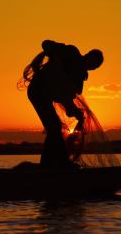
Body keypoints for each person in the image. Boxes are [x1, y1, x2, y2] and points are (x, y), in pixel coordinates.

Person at [22, 40, 104, 168]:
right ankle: (52, 164)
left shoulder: (78, 79)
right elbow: (46, 43)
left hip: (45, 96)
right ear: (87, 55)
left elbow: (66, 100)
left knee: (54, 128)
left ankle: (51, 164)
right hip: (37, 91)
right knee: (54, 127)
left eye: (93, 66)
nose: (90, 66)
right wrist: (56, 58)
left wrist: (76, 113)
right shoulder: (71, 52)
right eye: (91, 61)